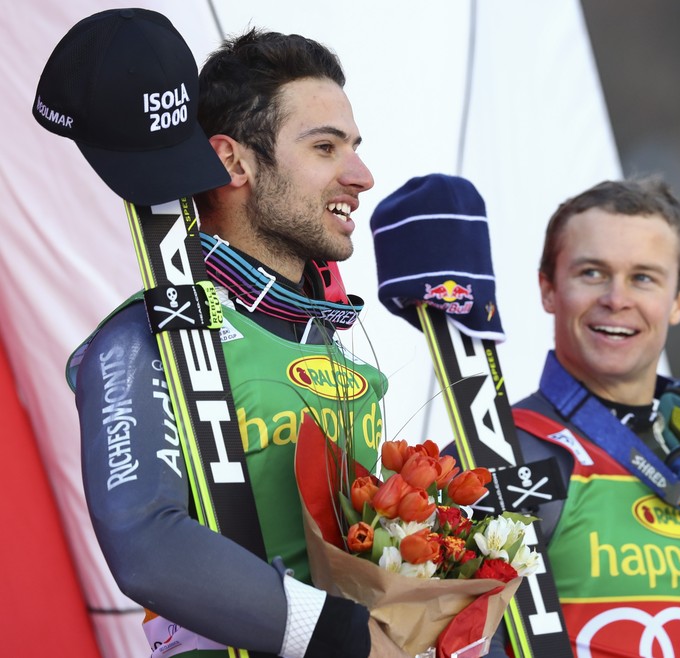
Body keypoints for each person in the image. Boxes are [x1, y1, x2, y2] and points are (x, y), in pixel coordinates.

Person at [37, 9, 406, 658]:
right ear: (233, 162)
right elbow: (147, 544)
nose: (360, 175)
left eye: (354, 147)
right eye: (325, 148)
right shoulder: (138, 340)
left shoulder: (327, 344)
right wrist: (347, 639)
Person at [487, 177, 680, 657]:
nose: (616, 298)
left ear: (679, 300)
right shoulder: (501, 450)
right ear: (548, 288)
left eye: (643, 277)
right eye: (592, 273)